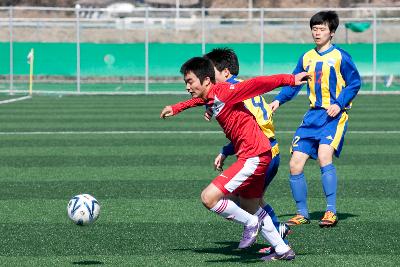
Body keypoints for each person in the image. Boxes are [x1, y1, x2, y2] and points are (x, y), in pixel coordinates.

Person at [160, 56, 309, 261]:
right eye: (186, 82)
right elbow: (198, 100)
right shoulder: (211, 96)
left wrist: (291, 79)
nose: (187, 86)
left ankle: (250, 223)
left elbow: (259, 83)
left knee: (209, 198)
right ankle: (283, 250)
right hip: (258, 153)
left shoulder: (225, 91)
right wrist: (176, 108)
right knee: (250, 205)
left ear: (206, 80)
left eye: (190, 81)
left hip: (254, 155)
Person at [269, 11, 361, 227]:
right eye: (314, 28)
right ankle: (302, 213)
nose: (317, 32)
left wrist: (339, 103)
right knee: (295, 164)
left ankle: (330, 211)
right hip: (312, 116)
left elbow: (354, 83)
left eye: (321, 29)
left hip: (334, 116)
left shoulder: (341, 56)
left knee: (323, 156)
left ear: (332, 32)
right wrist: (278, 101)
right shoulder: (307, 57)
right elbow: (294, 82)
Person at [203, 48, 290, 248]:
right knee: (253, 200)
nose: (207, 77)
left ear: (225, 72)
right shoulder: (240, 87)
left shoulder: (232, 92)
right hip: (268, 149)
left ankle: (276, 234)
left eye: (211, 71)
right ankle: (278, 237)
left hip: (261, 151)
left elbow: (250, 129)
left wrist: (226, 150)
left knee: (240, 201)